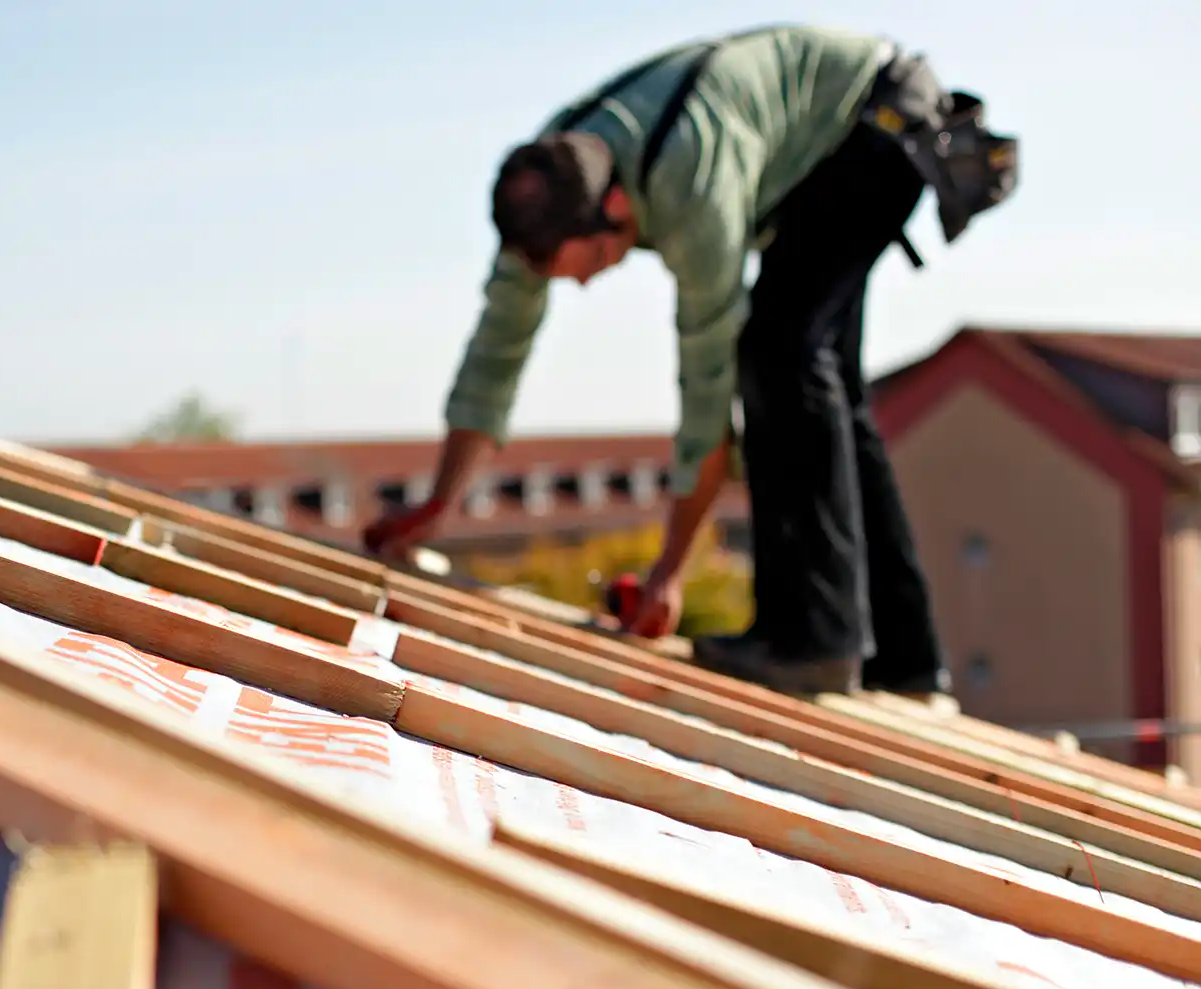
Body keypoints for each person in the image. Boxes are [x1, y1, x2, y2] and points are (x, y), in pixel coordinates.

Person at [362, 24, 1017, 698]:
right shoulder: (546, 186)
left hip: (879, 126)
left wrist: (670, 571)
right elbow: (495, 355)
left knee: (778, 351)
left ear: (616, 210)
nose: (584, 285)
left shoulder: (693, 187)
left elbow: (708, 400)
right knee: (823, 385)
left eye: (587, 266)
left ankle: (813, 642)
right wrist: (439, 502)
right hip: (833, 135)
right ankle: (904, 662)